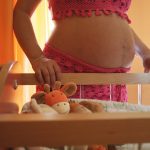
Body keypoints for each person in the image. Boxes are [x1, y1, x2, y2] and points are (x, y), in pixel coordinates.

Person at [13, 0, 150, 102]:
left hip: (115, 84)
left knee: (110, 137)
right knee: (66, 137)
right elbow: (21, 12)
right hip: (68, 76)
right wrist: (37, 58)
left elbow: (115, 17)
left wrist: (144, 52)